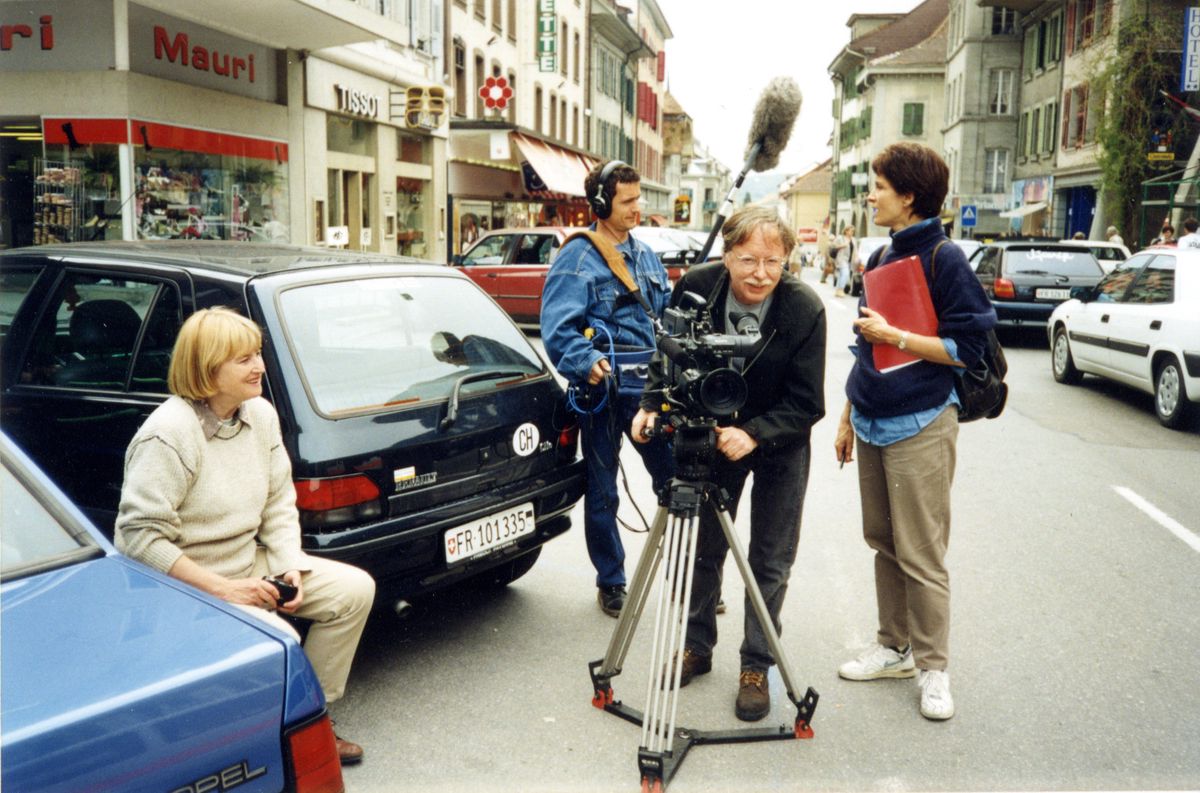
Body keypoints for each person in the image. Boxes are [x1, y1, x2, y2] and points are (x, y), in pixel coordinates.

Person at [115, 307, 376, 764]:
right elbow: (138, 539)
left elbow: (278, 502)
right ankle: (276, 738)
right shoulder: (169, 434)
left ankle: (307, 718)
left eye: (257, 354)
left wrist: (288, 566)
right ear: (206, 369)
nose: (259, 367)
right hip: (188, 583)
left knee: (354, 590)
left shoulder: (258, 414)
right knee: (282, 642)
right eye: (243, 359)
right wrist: (228, 590)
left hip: (244, 562)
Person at [631, 205, 827, 722]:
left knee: (770, 558)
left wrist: (755, 434)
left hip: (779, 443)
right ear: (726, 256)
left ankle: (756, 666)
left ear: (787, 259)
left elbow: (808, 402)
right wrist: (651, 401)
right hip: (711, 434)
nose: (760, 273)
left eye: (773, 261)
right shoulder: (697, 284)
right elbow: (666, 351)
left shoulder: (804, 307)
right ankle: (697, 646)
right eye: (748, 260)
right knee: (702, 549)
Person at [832, 143, 996, 722]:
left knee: (922, 553)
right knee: (883, 542)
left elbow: (966, 348)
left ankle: (934, 670)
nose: (869, 195)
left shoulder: (945, 258)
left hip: (923, 421)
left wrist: (897, 335)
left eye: (878, 187)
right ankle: (893, 647)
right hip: (874, 420)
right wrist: (848, 416)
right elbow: (864, 347)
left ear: (908, 195)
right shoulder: (879, 257)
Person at [541, 160, 675, 618]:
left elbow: (666, 319)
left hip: (650, 393)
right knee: (603, 492)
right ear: (601, 204)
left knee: (675, 482)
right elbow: (557, 330)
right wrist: (587, 361)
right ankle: (611, 582)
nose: (638, 208)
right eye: (629, 201)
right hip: (602, 396)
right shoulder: (576, 258)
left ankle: (688, 580)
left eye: (640, 199)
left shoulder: (647, 257)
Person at [830, 226, 858, 296]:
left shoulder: (853, 240)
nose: (852, 232)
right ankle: (841, 289)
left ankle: (837, 291)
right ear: (846, 231)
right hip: (841, 259)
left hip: (850, 260)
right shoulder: (840, 238)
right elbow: (833, 246)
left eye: (853, 231)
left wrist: (856, 257)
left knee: (841, 275)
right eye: (850, 231)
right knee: (845, 274)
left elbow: (855, 250)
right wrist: (843, 245)